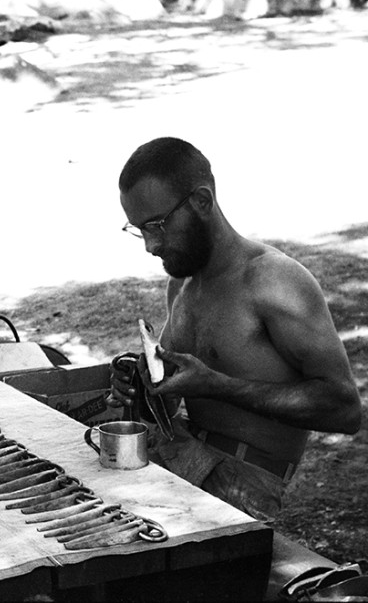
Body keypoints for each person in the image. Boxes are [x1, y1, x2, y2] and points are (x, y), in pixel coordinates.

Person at [110, 136, 361, 521]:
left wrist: (217, 385)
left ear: (202, 202)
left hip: (245, 486)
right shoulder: (182, 285)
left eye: (157, 225)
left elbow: (344, 411)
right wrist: (144, 386)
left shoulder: (273, 282)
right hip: (182, 457)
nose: (150, 245)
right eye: (139, 228)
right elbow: (174, 397)